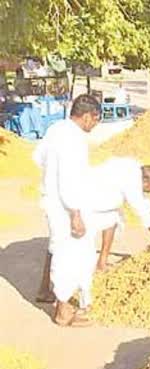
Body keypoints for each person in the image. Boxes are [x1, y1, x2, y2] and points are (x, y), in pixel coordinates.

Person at [33, 94, 101, 326]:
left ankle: (66, 301)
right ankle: (63, 312)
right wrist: (75, 214)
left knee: (62, 250)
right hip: (66, 206)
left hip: (53, 199)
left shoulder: (57, 128)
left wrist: (49, 179)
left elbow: (38, 157)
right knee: (68, 255)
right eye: (96, 119)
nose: (96, 124)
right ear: (86, 116)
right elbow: (69, 179)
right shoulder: (74, 140)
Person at [85, 158, 150, 271]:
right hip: (91, 194)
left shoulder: (138, 170)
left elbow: (144, 201)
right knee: (109, 221)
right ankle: (100, 263)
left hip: (92, 184)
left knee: (111, 220)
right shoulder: (132, 185)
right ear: (147, 182)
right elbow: (145, 216)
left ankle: (100, 262)